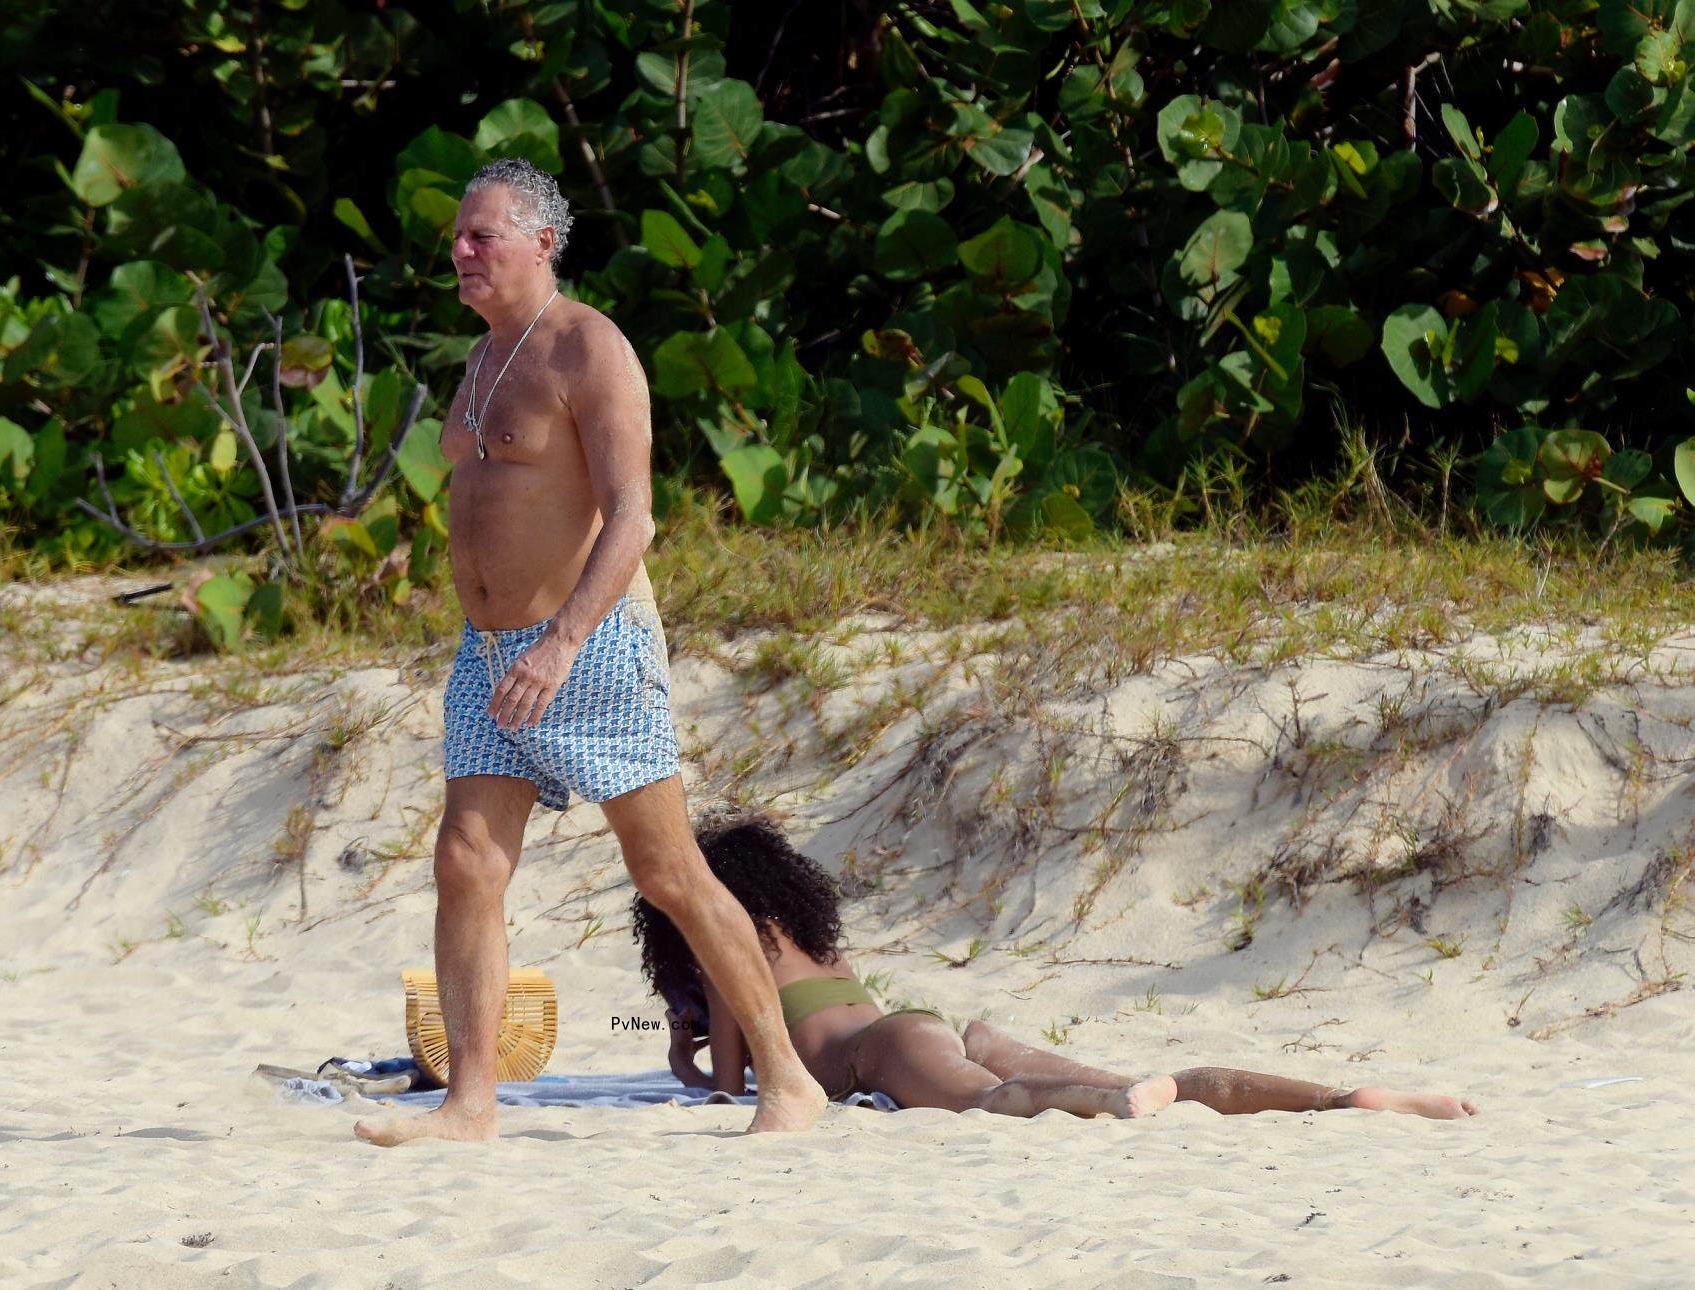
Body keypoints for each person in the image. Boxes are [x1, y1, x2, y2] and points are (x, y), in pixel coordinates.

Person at [354, 160, 825, 1146]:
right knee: (467, 863)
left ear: (542, 243)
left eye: (483, 236)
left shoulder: (590, 350)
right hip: (487, 657)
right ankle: (470, 1102)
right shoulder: (482, 359)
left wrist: (565, 640)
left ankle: (788, 1077)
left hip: (591, 646)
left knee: (668, 872)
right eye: (458, 237)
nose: (462, 251)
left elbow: (634, 517)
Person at [634, 817, 1482, 1122]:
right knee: (1156, 1080)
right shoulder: (811, 932)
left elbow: (736, 1081)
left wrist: (686, 1052)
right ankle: (1342, 1098)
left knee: (996, 1103)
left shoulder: (725, 945)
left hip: (880, 1056)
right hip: (926, 1024)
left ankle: (1118, 1104)